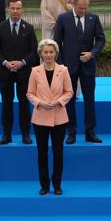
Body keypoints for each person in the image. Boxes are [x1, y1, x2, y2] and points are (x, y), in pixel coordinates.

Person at [53, 0, 106, 144]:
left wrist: (92, 53)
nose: (84, 11)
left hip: (88, 65)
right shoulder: (63, 18)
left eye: (86, 8)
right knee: (68, 99)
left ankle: (90, 131)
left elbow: (101, 39)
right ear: (73, 5)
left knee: (90, 99)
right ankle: (71, 132)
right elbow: (56, 43)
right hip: (68, 66)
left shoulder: (93, 18)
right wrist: (62, 64)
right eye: (81, 8)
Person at [27, 39, 73, 195]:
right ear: (41, 53)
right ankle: (44, 185)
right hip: (40, 116)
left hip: (59, 116)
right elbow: (30, 93)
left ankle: (57, 184)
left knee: (58, 152)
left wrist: (59, 102)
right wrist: (39, 102)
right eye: (45, 52)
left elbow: (69, 92)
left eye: (51, 52)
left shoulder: (63, 70)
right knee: (42, 152)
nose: (48, 55)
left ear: (56, 53)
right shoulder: (35, 71)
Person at [0, 0, 38, 145]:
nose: (15, 11)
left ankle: (26, 134)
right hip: (6, 73)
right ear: (8, 9)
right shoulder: (0, 28)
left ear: (22, 10)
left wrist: (22, 62)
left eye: (18, 8)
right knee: (6, 104)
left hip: (24, 73)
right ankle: (6, 134)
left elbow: (34, 51)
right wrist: (5, 63)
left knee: (24, 104)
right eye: (13, 8)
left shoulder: (28, 28)